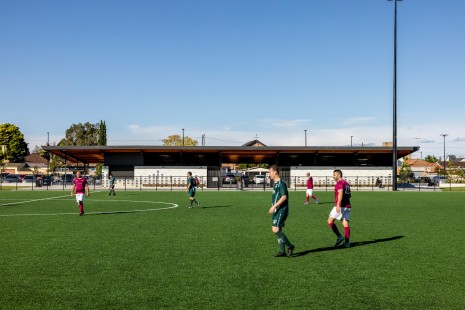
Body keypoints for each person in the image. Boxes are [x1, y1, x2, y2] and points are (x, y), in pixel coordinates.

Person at [268, 165, 295, 257]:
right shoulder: (275, 184)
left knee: (275, 230)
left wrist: (274, 206)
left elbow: (284, 197)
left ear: (275, 172)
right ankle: (282, 251)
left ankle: (290, 246)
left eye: (270, 172)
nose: (269, 174)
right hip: (277, 210)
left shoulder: (281, 183)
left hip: (281, 210)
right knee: (278, 229)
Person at [327, 169, 351, 248]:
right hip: (348, 206)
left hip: (341, 206)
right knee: (345, 223)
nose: (333, 176)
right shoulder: (346, 183)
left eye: (334, 175)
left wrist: (338, 204)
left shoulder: (339, 183)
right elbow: (349, 195)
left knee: (330, 221)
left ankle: (339, 236)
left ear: (338, 175)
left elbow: (340, 194)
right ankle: (347, 243)